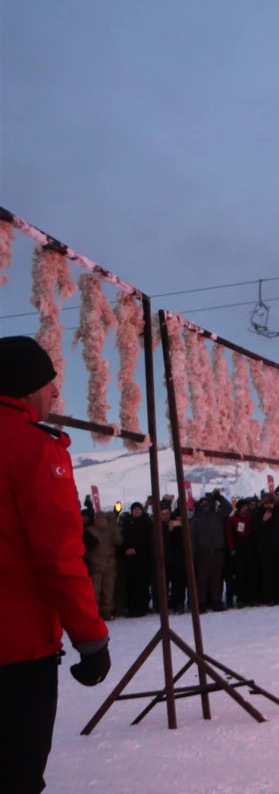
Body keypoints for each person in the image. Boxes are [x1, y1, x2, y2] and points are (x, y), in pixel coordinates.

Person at [0, 335, 111, 794]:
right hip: (17, 652)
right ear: (27, 389)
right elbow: (59, 558)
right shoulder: (35, 449)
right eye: (50, 384)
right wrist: (90, 638)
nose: (54, 395)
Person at [84, 509, 123, 621]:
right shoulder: (90, 530)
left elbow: (119, 541)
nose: (101, 521)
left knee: (108, 590)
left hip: (109, 565)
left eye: (102, 518)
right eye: (98, 518)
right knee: (95, 591)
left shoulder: (111, 531)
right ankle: (95, 612)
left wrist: (114, 529)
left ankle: (107, 612)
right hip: (95, 565)